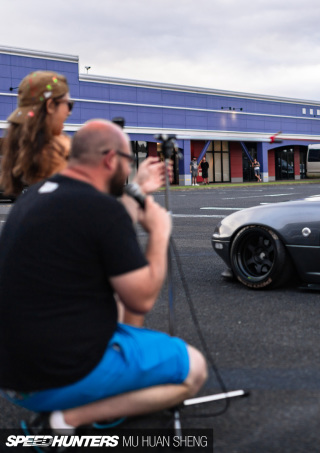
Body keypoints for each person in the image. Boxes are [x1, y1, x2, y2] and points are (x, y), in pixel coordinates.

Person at [0, 119, 207, 434]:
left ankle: (111, 380)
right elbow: (142, 297)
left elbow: (105, 228)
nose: (128, 169)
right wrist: (159, 233)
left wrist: (136, 189)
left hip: (11, 375)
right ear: (111, 159)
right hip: (52, 377)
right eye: (127, 161)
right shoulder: (100, 209)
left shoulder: (36, 195)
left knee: (115, 295)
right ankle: (68, 419)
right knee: (195, 369)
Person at [0, 70, 168, 214]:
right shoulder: (57, 171)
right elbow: (101, 223)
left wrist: (137, 187)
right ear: (50, 106)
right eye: (69, 104)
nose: (69, 112)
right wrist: (158, 231)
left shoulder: (26, 190)